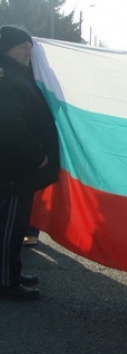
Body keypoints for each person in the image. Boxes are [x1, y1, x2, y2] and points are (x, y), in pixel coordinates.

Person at [0, 26, 60, 300]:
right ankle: (6, 281)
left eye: (29, 47)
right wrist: (39, 157)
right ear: (7, 49)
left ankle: (11, 270)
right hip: (12, 171)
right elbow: (11, 125)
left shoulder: (16, 75)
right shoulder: (5, 78)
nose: (27, 52)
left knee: (15, 227)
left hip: (17, 170)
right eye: (22, 47)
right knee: (8, 228)